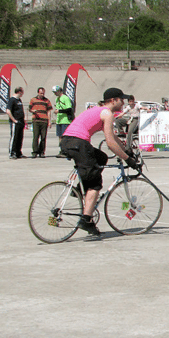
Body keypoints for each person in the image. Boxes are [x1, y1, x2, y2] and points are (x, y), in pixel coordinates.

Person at [60, 88, 140, 236]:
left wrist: (126, 150)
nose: (123, 103)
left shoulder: (99, 111)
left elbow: (113, 137)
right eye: (121, 100)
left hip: (69, 141)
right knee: (95, 184)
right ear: (113, 100)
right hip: (78, 143)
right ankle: (86, 219)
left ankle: (78, 189)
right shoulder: (107, 113)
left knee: (101, 158)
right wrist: (128, 159)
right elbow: (110, 143)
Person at [28, 87, 53, 158]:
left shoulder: (47, 101)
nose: (42, 94)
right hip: (36, 121)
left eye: (43, 93)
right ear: (38, 93)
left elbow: (49, 111)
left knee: (43, 137)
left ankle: (41, 152)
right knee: (35, 137)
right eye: (41, 93)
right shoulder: (33, 100)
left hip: (44, 121)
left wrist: (49, 121)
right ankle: (35, 151)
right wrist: (33, 111)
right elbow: (29, 109)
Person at [52, 85, 74, 158]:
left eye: (55, 92)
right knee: (60, 136)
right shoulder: (57, 99)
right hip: (59, 121)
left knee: (65, 136)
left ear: (59, 91)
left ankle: (66, 150)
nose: (55, 93)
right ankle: (62, 150)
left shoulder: (65, 98)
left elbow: (69, 109)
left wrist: (59, 111)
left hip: (65, 120)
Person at [6, 86, 26, 159]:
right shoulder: (12, 100)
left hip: (21, 121)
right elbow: (8, 111)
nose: (23, 93)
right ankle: (12, 152)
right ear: (19, 92)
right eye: (22, 92)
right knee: (14, 137)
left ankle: (18, 152)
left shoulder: (19, 100)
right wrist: (14, 120)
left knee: (20, 137)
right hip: (15, 122)